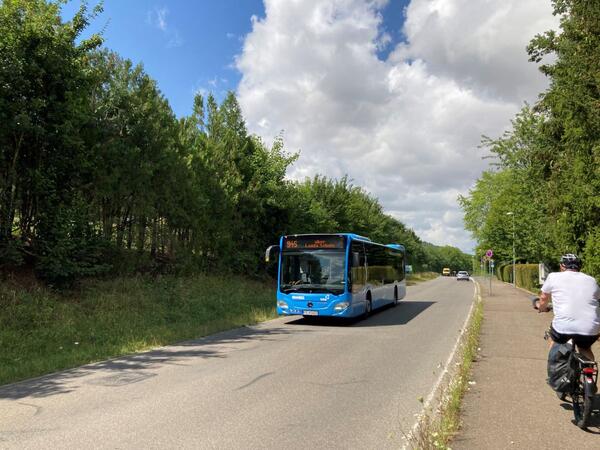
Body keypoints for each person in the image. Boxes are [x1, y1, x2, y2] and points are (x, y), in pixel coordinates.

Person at [538, 254, 600, 361]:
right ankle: (588, 374)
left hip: (563, 328)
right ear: (579, 266)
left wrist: (541, 308)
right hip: (591, 328)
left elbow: (543, 298)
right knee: (585, 348)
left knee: (554, 341)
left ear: (562, 266)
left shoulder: (553, 276)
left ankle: (554, 372)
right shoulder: (591, 280)